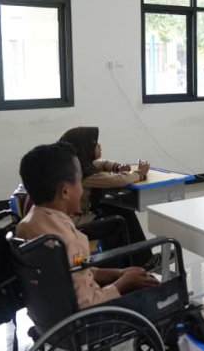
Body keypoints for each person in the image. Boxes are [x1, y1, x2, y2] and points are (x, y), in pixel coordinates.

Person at [16, 142, 158, 313]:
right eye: (79, 183)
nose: (82, 189)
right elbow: (88, 303)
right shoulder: (68, 241)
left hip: (47, 315)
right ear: (65, 191)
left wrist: (119, 272)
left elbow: (76, 270)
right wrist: (124, 283)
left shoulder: (29, 222)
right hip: (86, 323)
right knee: (158, 293)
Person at [58, 126, 153, 268]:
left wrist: (116, 166)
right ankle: (140, 262)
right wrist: (140, 173)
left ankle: (134, 260)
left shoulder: (75, 166)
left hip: (74, 218)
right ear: (85, 149)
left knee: (119, 209)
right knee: (121, 218)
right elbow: (116, 181)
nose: (99, 146)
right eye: (95, 144)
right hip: (77, 224)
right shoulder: (83, 174)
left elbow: (99, 164)